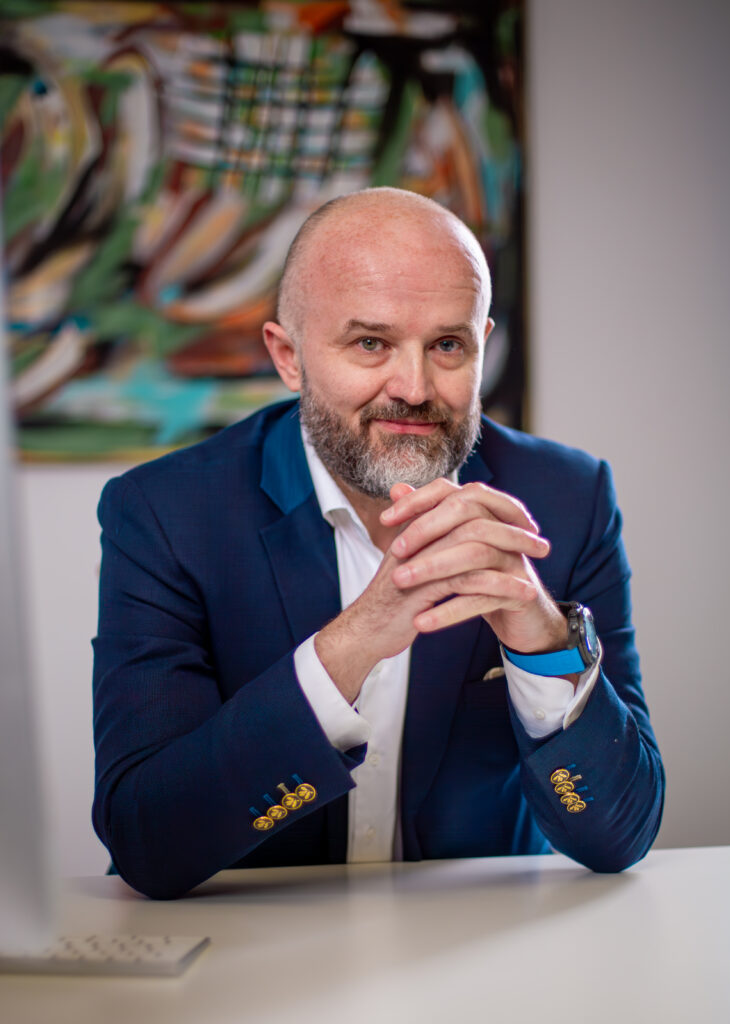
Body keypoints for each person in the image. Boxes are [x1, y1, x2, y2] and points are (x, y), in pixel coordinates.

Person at [93, 188, 664, 900]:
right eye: (371, 343)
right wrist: (356, 640)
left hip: (481, 945)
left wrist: (542, 639)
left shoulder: (568, 500)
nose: (414, 388)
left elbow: (619, 837)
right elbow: (147, 841)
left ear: (482, 345)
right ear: (289, 356)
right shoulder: (165, 513)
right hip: (250, 949)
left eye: (448, 345)